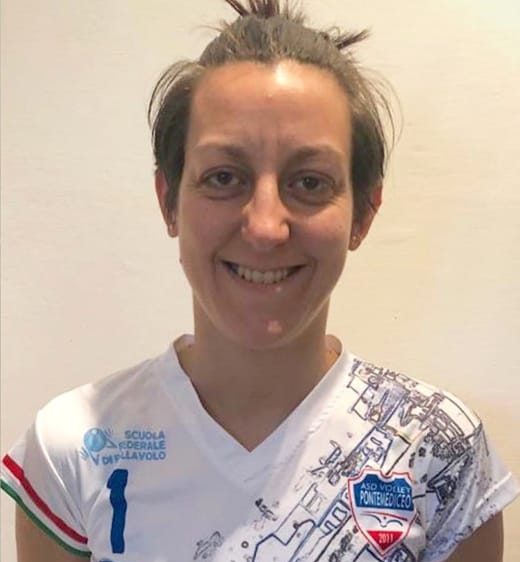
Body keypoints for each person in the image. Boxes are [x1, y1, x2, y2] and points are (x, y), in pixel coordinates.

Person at [1, 1, 518, 561]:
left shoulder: (438, 451)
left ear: (364, 214)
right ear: (169, 201)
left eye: (310, 182)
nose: (266, 227)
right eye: (224, 177)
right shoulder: (75, 447)